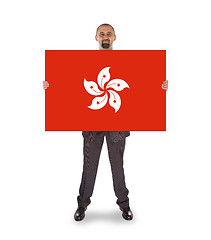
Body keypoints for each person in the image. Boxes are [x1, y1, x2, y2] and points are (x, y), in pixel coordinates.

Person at [43, 23, 168, 222]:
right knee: (89, 166)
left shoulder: (127, 62)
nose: (105, 36)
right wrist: (52, 86)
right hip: (92, 125)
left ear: (115, 37)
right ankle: (82, 205)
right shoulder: (84, 62)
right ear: (96, 38)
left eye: (108, 33)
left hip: (118, 125)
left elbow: (138, 88)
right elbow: (71, 88)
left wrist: (158, 86)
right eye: (102, 34)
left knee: (117, 166)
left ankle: (124, 204)